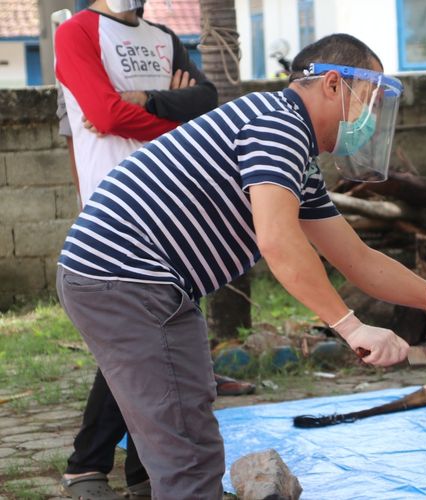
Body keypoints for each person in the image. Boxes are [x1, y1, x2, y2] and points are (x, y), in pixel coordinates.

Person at [56, 33, 426, 498]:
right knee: (187, 442)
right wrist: (352, 327)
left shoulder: (296, 154)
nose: (371, 116)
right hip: (125, 275)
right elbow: (279, 241)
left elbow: (358, 259)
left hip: (134, 278)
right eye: (369, 99)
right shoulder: (278, 125)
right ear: (332, 84)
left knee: (184, 413)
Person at [54, 1, 249, 498]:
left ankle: (136, 471)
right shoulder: (76, 33)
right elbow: (101, 113)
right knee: (139, 344)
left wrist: (145, 103)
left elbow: (206, 100)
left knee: (154, 344)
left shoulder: (163, 36)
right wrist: (177, 124)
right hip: (114, 212)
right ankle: (88, 465)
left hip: (176, 207)